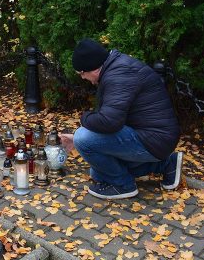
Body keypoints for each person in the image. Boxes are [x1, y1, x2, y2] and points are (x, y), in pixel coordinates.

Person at [61, 38, 182, 199]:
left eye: (82, 73)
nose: (82, 77)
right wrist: (76, 136)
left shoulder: (118, 76)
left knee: (84, 139)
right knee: (98, 171)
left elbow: (109, 122)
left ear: (93, 68)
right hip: (152, 136)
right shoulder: (115, 67)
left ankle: (122, 185)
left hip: (155, 139)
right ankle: (166, 164)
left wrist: (84, 118)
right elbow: (112, 117)